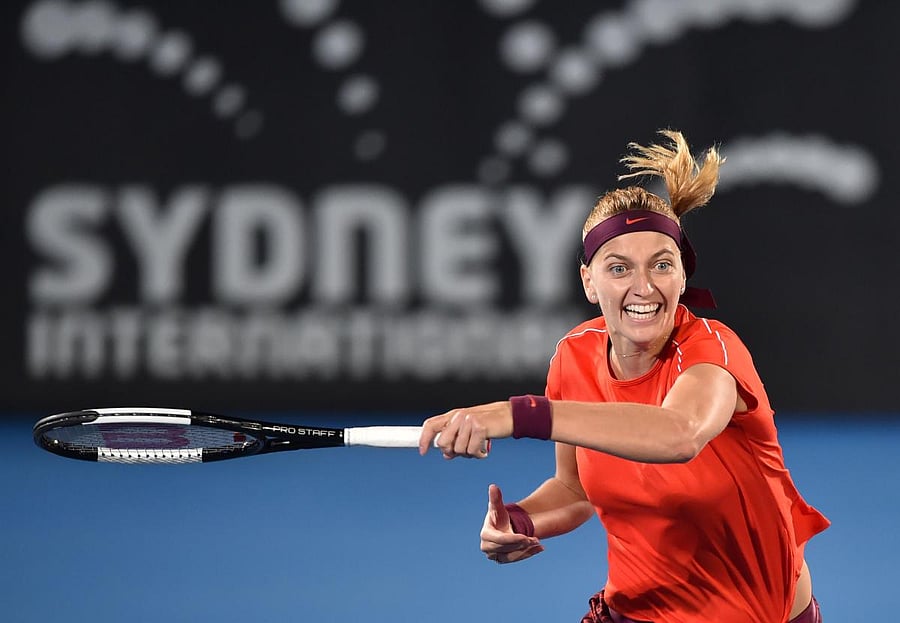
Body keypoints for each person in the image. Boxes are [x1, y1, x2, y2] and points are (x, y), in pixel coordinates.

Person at [418, 130, 830, 623]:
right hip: (634, 612)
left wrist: (515, 415)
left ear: (682, 275)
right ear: (589, 281)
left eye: (661, 265)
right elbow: (575, 490)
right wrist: (520, 520)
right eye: (618, 268)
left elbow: (679, 434)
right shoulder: (573, 355)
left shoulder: (713, 353)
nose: (643, 287)